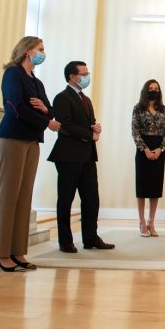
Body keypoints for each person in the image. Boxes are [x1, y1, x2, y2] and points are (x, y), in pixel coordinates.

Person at [0, 37, 61, 272]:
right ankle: (0, 252)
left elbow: (49, 107)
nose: (43, 53)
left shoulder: (37, 82)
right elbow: (15, 106)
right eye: (40, 49)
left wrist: (45, 111)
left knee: (24, 196)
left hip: (32, 139)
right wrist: (46, 120)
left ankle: (17, 250)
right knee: (9, 194)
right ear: (27, 51)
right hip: (12, 137)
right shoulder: (13, 74)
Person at [48, 61, 114, 253]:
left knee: (92, 198)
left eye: (87, 73)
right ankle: (65, 241)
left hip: (87, 156)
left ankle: (90, 238)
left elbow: (89, 124)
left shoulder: (86, 99)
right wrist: (89, 134)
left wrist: (96, 127)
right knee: (66, 199)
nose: (87, 77)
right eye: (83, 74)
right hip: (68, 155)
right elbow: (65, 126)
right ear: (71, 76)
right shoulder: (62, 98)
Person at [132, 79, 165, 237]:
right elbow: (135, 131)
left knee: (155, 189)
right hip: (143, 150)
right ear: (145, 90)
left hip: (159, 150)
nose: (154, 90)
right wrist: (145, 149)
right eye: (151, 88)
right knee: (142, 189)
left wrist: (160, 149)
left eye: (156, 88)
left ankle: (151, 221)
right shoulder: (138, 108)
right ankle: (141, 222)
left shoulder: (164, 109)